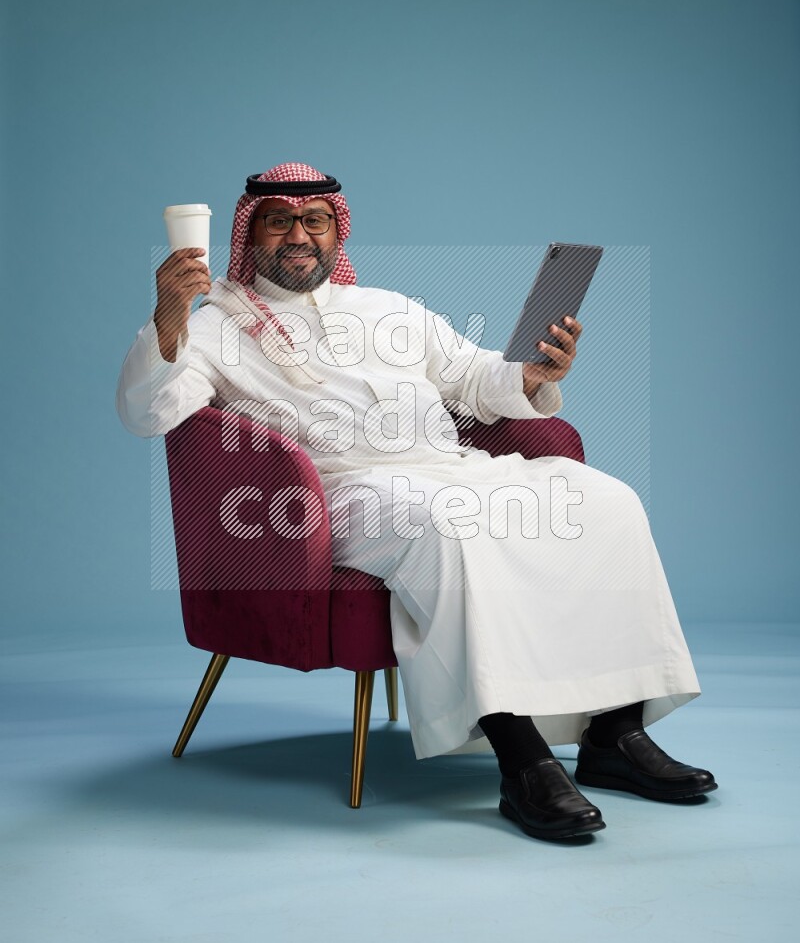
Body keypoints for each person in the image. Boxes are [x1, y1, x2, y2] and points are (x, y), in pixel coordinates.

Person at [117, 162, 717, 842]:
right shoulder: (213, 329)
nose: (298, 235)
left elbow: (473, 376)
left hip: (448, 464)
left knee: (606, 502)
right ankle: (521, 760)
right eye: (278, 220)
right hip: (332, 492)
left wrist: (533, 371)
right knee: (449, 526)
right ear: (248, 232)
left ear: (336, 230)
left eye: (314, 220)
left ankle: (615, 733)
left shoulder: (390, 309)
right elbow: (151, 412)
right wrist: (169, 316)